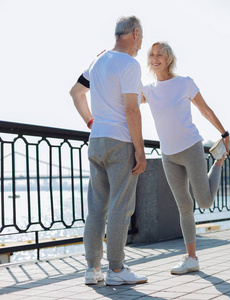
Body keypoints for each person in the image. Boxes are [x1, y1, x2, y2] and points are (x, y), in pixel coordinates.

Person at [69, 16, 148, 286]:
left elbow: (75, 93)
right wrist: (140, 149)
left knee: (96, 208)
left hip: (97, 140)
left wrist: (92, 122)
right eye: (142, 38)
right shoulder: (129, 63)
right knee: (120, 207)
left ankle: (92, 270)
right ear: (135, 34)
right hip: (120, 142)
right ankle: (116, 270)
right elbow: (131, 109)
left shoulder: (98, 60)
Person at [141, 41, 230, 275]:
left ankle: (218, 163)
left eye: (160, 54)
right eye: (152, 55)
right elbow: (124, 100)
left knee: (205, 202)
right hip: (168, 155)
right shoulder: (148, 90)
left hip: (191, 147)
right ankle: (192, 258)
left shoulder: (185, 83)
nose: (155, 58)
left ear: (168, 58)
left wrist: (224, 133)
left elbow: (205, 110)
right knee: (184, 206)